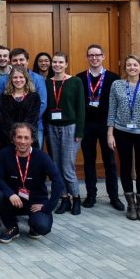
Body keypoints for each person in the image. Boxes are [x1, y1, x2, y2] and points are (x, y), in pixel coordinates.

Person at [107, 55, 140, 221]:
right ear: (125, 68)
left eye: (135, 65)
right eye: (129, 65)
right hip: (122, 132)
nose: (131, 67)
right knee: (125, 168)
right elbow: (112, 109)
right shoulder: (117, 85)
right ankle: (130, 204)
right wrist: (110, 133)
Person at [0, 123, 65, 244]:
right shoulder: (5, 154)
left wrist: (48, 206)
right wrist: (10, 194)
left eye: (26, 138)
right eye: (19, 137)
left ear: (32, 140)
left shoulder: (42, 157)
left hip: (35, 202)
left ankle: (33, 224)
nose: (22, 141)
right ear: (13, 139)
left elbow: (58, 182)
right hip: (14, 200)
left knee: (42, 227)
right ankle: (12, 227)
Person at [76, 44, 124, 210]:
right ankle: (91, 195)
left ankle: (114, 197)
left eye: (97, 55)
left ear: (103, 57)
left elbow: (119, 104)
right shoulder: (80, 78)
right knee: (89, 161)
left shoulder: (114, 78)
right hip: (87, 125)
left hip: (107, 126)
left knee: (110, 162)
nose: (94, 58)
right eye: (91, 55)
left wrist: (114, 127)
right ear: (87, 57)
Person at [45, 52, 85, 215]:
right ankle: (64, 199)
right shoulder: (47, 83)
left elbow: (81, 108)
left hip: (70, 127)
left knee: (67, 165)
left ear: (66, 64)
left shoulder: (75, 82)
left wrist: (80, 131)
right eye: (54, 62)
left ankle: (76, 198)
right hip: (52, 126)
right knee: (56, 165)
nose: (57, 65)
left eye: (60, 62)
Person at [0, 48, 47, 148]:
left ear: (27, 61)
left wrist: (23, 129)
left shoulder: (38, 79)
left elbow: (42, 104)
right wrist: (13, 131)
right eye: (15, 60)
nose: (18, 63)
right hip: (8, 132)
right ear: (10, 62)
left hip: (33, 127)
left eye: (21, 60)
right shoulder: (3, 80)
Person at [0, 67, 41, 149]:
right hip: (8, 140)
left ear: (26, 79)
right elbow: (4, 119)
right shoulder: (4, 97)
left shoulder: (34, 96)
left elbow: (32, 119)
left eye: (21, 77)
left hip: (28, 139)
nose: (18, 80)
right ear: (11, 79)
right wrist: (15, 136)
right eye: (15, 77)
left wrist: (22, 135)